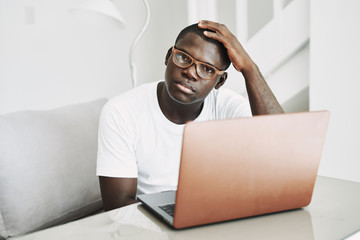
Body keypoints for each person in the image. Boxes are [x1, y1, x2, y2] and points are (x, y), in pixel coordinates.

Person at [96, 20, 284, 211]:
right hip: (153, 223)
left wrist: (249, 68)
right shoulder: (121, 112)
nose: (190, 73)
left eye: (207, 69)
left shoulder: (226, 107)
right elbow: (118, 206)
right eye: (184, 58)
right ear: (169, 56)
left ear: (220, 81)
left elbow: (281, 154)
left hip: (217, 215)